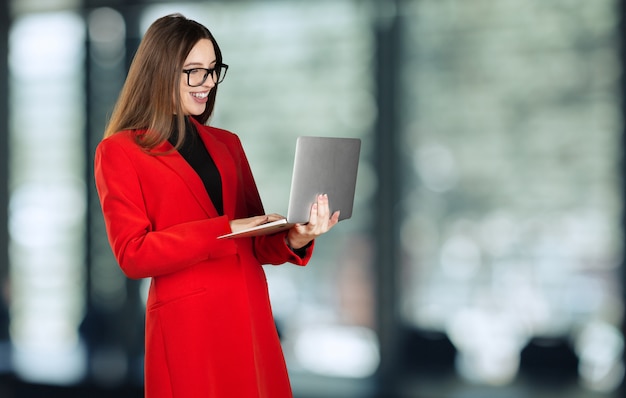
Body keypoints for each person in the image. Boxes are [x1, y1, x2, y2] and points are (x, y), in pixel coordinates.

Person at [94, 13, 339, 398]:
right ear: (160, 71)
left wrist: (296, 236)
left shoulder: (227, 143)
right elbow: (133, 254)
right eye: (194, 71)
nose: (207, 83)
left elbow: (255, 242)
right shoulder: (120, 151)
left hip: (250, 316)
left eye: (212, 70)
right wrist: (226, 228)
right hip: (190, 328)